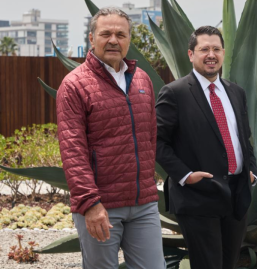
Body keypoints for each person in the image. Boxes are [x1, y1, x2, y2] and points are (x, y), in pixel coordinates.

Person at [56, 7, 165, 269]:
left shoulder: (142, 79)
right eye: (105, 34)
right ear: (92, 39)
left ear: (129, 40)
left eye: (121, 34)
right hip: (101, 206)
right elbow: (73, 152)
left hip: (144, 204)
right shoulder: (74, 85)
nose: (114, 40)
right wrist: (90, 204)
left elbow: (150, 137)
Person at [156, 26, 257, 269]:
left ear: (223, 53)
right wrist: (186, 176)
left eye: (216, 49)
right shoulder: (174, 93)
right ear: (191, 54)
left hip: (237, 196)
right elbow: (157, 142)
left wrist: (251, 171)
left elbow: (245, 138)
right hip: (197, 196)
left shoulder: (236, 92)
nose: (211, 54)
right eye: (204, 49)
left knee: (228, 265)